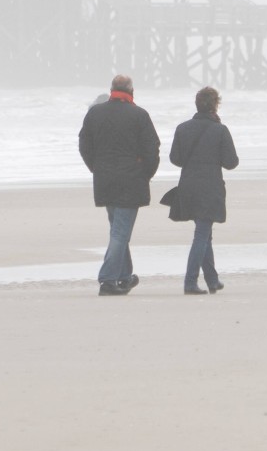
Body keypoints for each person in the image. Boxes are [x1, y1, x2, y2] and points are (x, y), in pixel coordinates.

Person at [78, 74, 161, 296]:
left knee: (118, 230)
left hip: (105, 179)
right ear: (131, 91)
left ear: (112, 89)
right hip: (131, 180)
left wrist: (95, 168)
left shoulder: (95, 113)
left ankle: (125, 277)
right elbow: (152, 149)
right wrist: (145, 174)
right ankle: (107, 279)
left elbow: (84, 144)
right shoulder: (139, 115)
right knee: (120, 233)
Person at [169, 86, 240, 295]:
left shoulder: (182, 128)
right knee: (201, 234)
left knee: (204, 232)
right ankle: (190, 282)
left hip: (188, 186)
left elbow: (175, 159)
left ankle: (212, 280)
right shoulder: (220, 130)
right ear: (215, 106)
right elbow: (231, 162)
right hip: (210, 187)